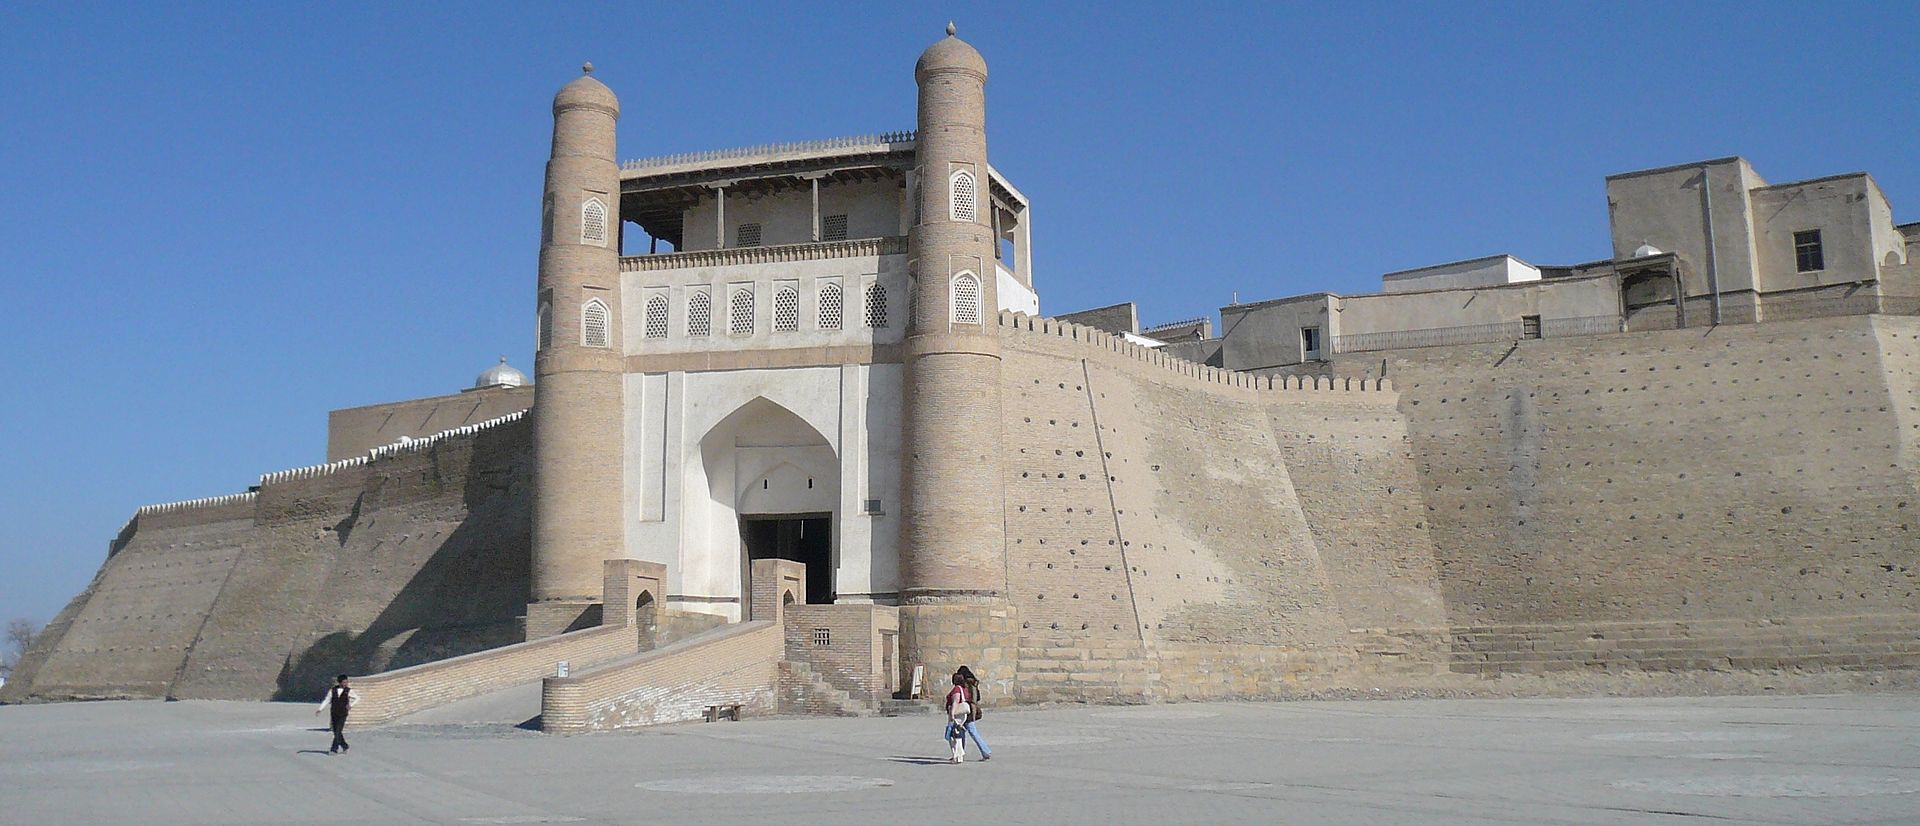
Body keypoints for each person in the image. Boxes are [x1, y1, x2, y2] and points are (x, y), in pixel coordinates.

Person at [313, 673, 360, 754]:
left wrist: (350, 705)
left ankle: (334, 749)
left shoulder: (349, 691)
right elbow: (327, 700)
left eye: (346, 682)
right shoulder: (332, 690)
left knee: (338, 730)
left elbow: (357, 698)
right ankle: (345, 746)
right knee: (336, 731)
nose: (346, 684)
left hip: (343, 713)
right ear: (340, 682)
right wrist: (320, 709)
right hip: (334, 712)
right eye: (344, 682)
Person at [956, 665, 992, 761]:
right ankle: (959, 753)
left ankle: (985, 751)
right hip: (972, 709)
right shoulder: (974, 683)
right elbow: (978, 697)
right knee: (963, 732)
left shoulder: (965, 684)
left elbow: (965, 697)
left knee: (968, 731)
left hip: (967, 709)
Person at [943, 673, 971, 763]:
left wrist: (952, 714)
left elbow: (956, 701)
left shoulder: (957, 689)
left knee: (954, 735)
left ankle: (957, 755)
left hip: (957, 714)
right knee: (958, 733)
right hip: (962, 714)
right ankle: (959, 755)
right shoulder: (964, 688)